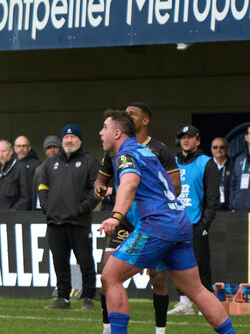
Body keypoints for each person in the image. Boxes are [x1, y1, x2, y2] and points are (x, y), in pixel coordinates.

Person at [97, 109, 236, 334]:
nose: (100, 132)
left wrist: (116, 216)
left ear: (117, 132)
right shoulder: (146, 151)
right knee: (196, 289)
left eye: (104, 127)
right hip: (179, 222)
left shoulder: (126, 155)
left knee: (110, 277)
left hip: (157, 224)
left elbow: (129, 184)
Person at [94, 102, 182, 334]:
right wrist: (100, 187)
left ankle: (159, 330)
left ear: (145, 121)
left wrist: (142, 196)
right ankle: (107, 327)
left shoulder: (159, 149)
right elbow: (102, 180)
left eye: (133, 114)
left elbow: (174, 186)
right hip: (125, 217)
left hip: (150, 219)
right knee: (108, 272)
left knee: (157, 277)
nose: (127, 115)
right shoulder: (113, 150)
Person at [35, 124, 99, 309]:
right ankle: (63, 298)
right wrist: (47, 207)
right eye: (66, 138)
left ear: (80, 140)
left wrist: (81, 208)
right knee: (59, 262)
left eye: (73, 137)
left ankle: (88, 297)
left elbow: (95, 191)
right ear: (62, 140)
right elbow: (42, 186)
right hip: (55, 222)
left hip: (79, 222)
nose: (69, 141)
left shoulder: (89, 162)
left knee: (85, 261)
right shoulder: (51, 162)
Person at [168, 125, 220, 316]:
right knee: (176, 264)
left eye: (190, 137)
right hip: (174, 222)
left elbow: (213, 198)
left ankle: (205, 303)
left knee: (201, 264)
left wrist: (205, 224)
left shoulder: (207, 163)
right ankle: (184, 303)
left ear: (198, 141)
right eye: (183, 137)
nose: (186, 140)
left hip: (196, 222)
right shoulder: (171, 162)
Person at [0, 139, 31, 210]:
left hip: (14, 217)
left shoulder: (21, 169)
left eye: (4, 151)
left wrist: (11, 214)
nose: (1, 155)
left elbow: (26, 197)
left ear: (11, 151)